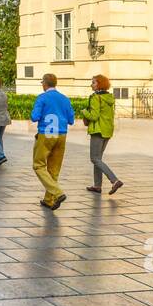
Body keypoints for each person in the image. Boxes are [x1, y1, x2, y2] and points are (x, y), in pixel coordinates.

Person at [31, 73, 75, 210]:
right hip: (61, 134)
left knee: (38, 165)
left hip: (46, 133)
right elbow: (71, 120)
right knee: (54, 169)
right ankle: (49, 200)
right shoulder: (65, 99)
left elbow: (34, 117)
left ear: (44, 83)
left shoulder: (42, 98)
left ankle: (58, 193)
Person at [80, 74, 123, 195]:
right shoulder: (109, 97)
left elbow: (94, 116)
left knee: (94, 159)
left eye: (93, 82)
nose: (91, 84)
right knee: (98, 159)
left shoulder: (96, 98)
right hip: (107, 130)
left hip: (97, 131)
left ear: (99, 84)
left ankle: (114, 180)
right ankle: (97, 185)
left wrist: (83, 111)